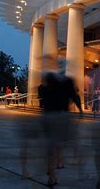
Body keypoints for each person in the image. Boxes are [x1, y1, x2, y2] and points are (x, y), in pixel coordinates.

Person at [40, 58, 82, 187]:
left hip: (49, 115)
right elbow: (74, 96)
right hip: (61, 115)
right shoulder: (67, 81)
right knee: (59, 142)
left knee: (50, 144)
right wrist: (80, 110)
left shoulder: (49, 79)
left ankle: (51, 172)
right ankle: (58, 164)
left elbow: (42, 94)